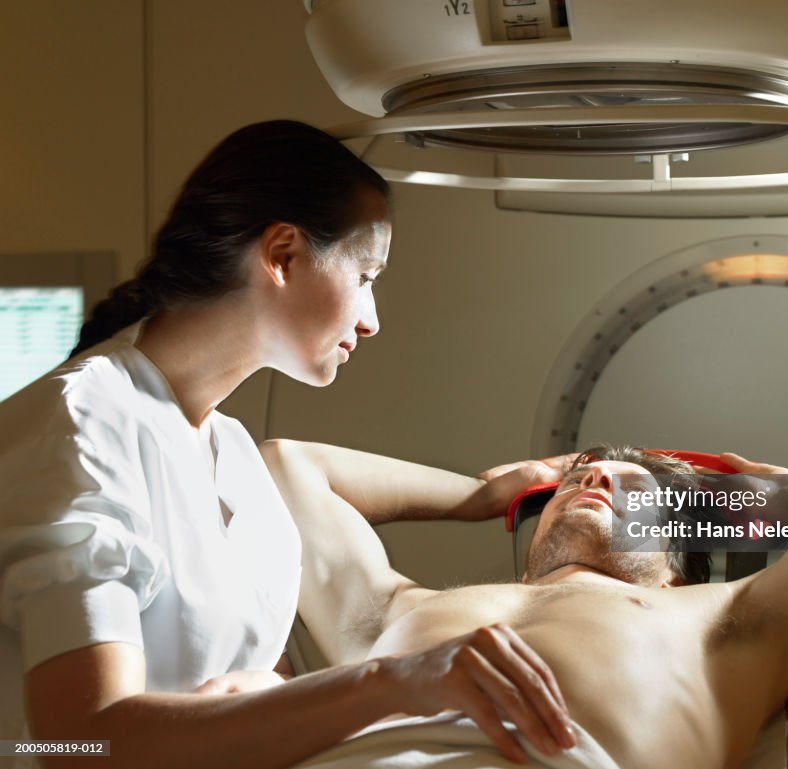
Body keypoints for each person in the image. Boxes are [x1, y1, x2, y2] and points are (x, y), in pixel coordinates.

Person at [0, 120, 578, 769]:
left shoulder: (234, 454)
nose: (372, 319)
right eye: (366, 274)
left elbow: (245, 703)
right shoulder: (84, 424)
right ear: (282, 254)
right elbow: (81, 743)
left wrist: (487, 495)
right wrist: (389, 682)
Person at [260, 440, 788, 769]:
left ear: (676, 560)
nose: (596, 481)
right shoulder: (399, 609)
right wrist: (482, 494)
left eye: (632, 488)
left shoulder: (731, 619)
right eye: (577, 479)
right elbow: (285, 466)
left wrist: (786, 505)